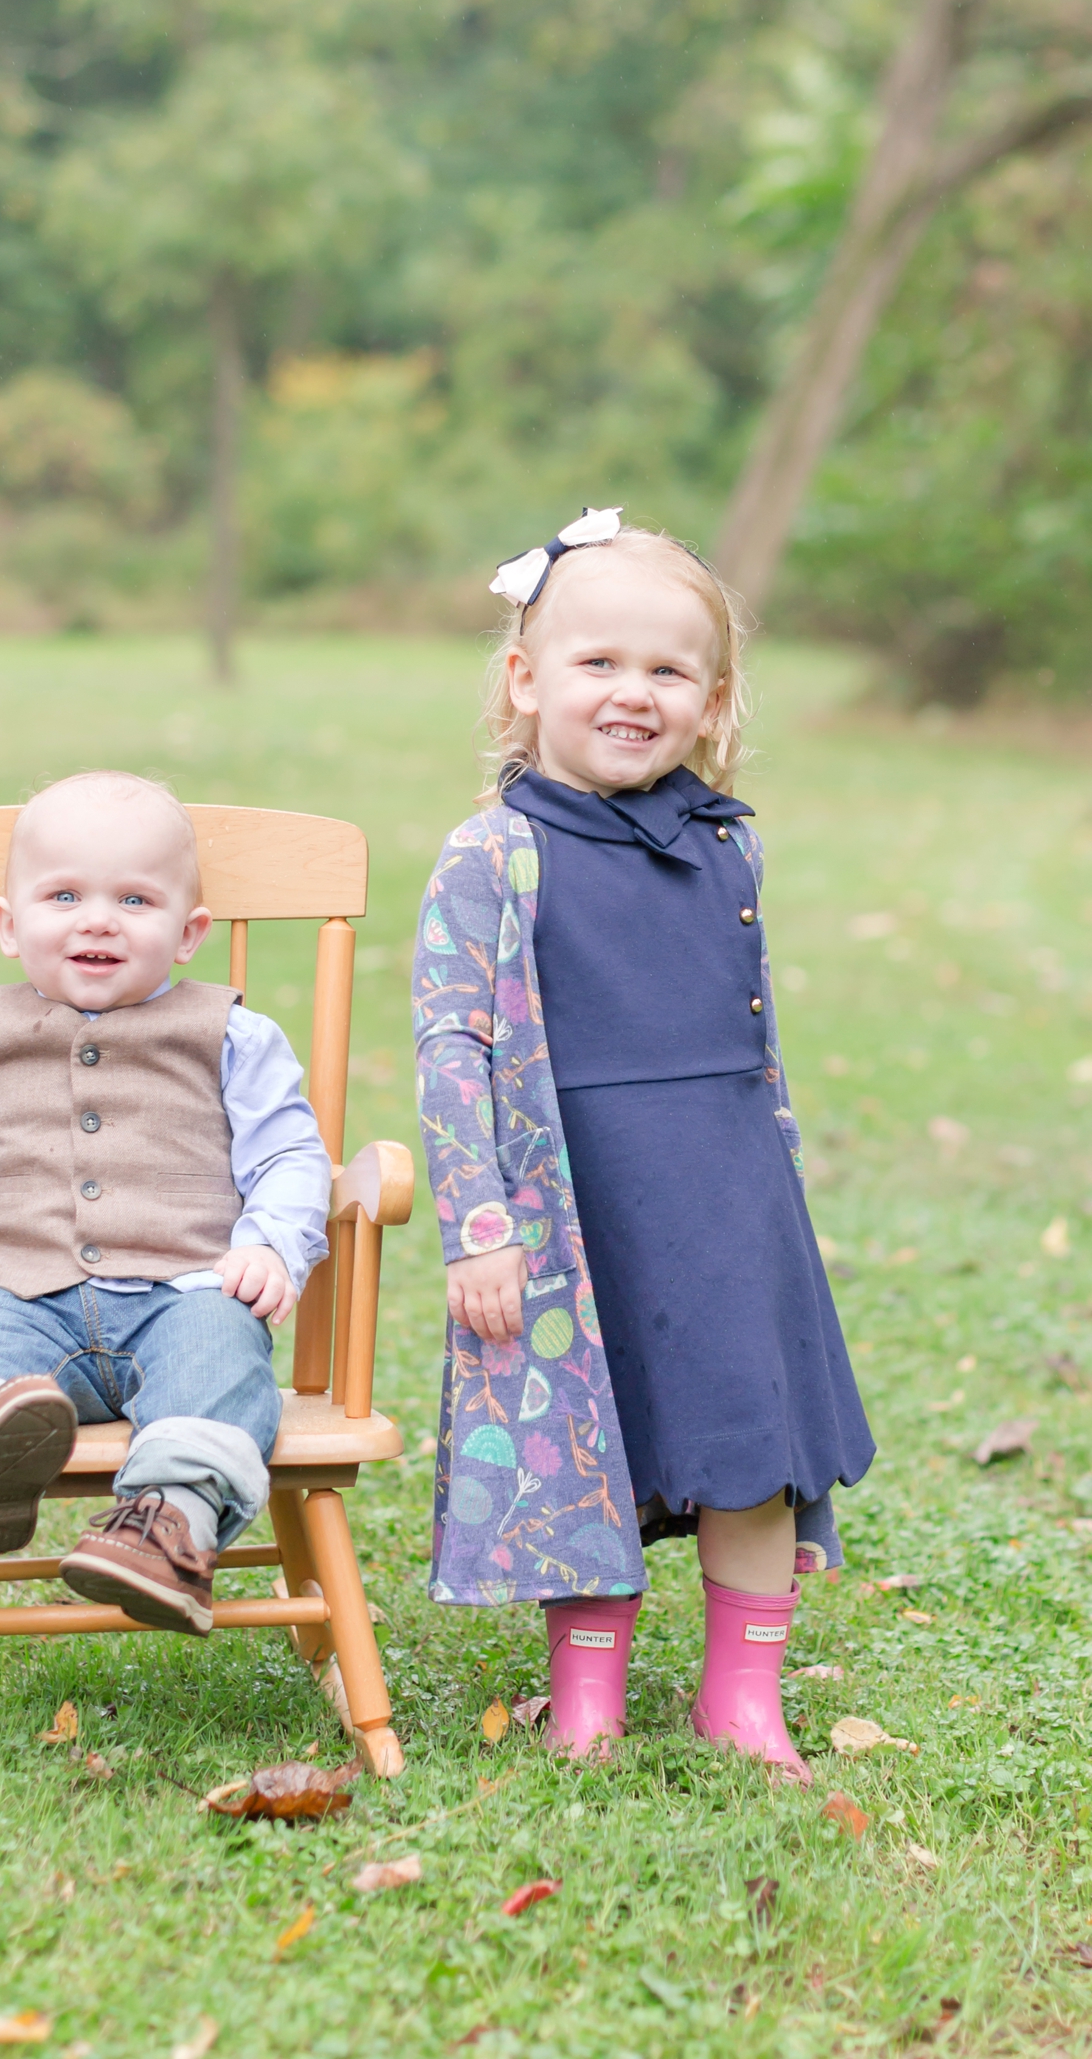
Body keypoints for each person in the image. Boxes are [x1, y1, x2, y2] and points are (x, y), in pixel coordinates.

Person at [414, 508, 874, 1779]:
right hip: (575, 1201)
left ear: (714, 700)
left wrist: (773, 1178)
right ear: (525, 679)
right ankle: (589, 1700)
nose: (634, 693)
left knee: (749, 1444)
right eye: (599, 663)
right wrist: (483, 1224)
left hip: (724, 1193)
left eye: (669, 671)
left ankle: (744, 1698)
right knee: (590, 1443)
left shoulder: (729, 847)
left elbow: (752, 1033)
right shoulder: (492, 857)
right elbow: (453, 1049)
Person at [0, 771, 332, 1636]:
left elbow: (289, 1154)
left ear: (189, 932)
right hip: (24, 1300)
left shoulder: (233, 1034)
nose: (97, 919)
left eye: (134, 898)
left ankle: (167, 1529)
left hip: (187, 1294)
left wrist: (272, 1244)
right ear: (9, 927)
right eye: (63, 896)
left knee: (219, 1368)